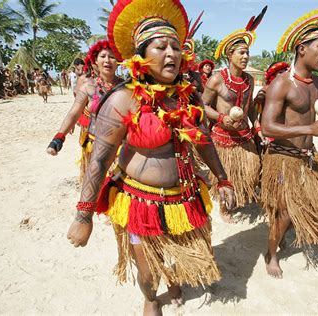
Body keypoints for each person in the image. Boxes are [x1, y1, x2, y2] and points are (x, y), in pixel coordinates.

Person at [66, 1, 235, 314]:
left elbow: (204, 140)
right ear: (141, 55)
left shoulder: (188, 95)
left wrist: (222, 177)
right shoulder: (122, 98)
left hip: (186, 196)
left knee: (180, 257)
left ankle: (173, 282)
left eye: (176, 46)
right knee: (148, 273)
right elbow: (100, 160)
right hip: (141, 203)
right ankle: (149, 298)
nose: (171, 53)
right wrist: (83, 216)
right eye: (160, 47)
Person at [260, 0, 318, 279]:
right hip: (283, 159)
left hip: (308, 159)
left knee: (308, 206)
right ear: (302, 49)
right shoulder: (282, 83)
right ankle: (271, 254)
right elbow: (267, 126)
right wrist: (307, 129)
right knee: (284, 212)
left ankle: (278, 236)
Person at [202, 6, 267, 222]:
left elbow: (248, 109)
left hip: (244, 136)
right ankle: (224, 208)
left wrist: (257, 129)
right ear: (230, 55)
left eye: (248, 52)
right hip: (223, 137)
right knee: (226, 174)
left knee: (249, 171)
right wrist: (222, 118)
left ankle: (238, 197)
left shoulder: (248, 80)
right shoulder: (217, 79)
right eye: (242, 52)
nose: (246, 56)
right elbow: (203, 106)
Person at [47, 40, 122, 183]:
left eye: (112, 57)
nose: (107, 60)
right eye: (103, 56)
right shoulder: (88, 87)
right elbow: (74, 113)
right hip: (95, 147)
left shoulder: (127, 86)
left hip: (120, 149)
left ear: (118, 61)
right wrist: (59, 137)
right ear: (96, 61)